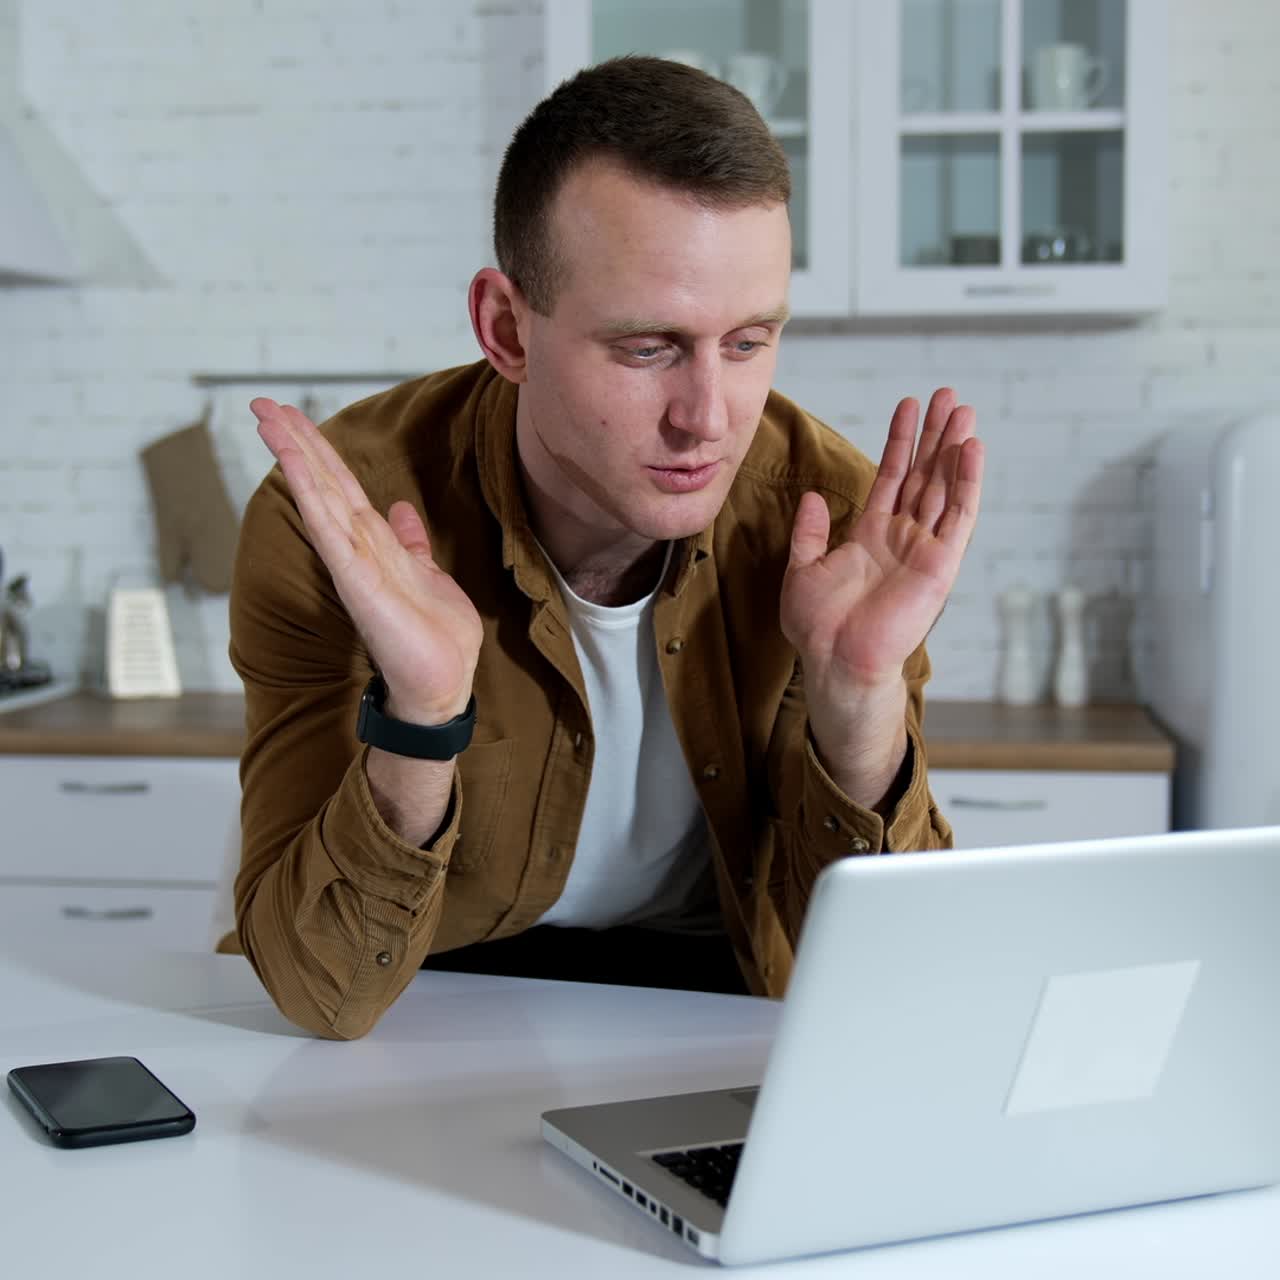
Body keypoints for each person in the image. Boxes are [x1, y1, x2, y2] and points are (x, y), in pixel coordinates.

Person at [228, 56, 984, 1040]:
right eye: (647, 348)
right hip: (424, 992)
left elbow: (890, 988)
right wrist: (420, 718)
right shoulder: (345, 525)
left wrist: (859, 700)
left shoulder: (835, 525)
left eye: (748, 342)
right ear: (507, 328)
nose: (707, 418)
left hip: (708, 994)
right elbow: (320, 989)